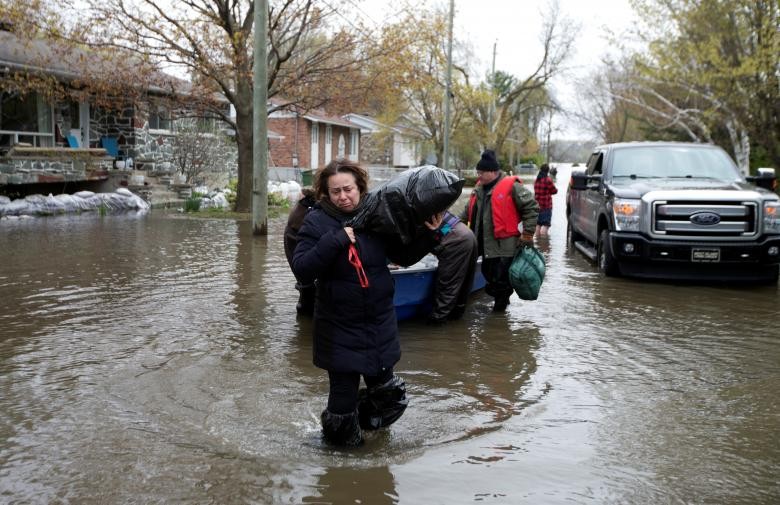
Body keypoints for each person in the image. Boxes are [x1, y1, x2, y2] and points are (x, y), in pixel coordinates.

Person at [291, 159, 435, 447]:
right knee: (342, 409)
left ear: (360, 187)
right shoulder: (317, 221)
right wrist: (335, 240)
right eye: (335, 192)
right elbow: (302, 268)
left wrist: (429, 233)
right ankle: (340, 463)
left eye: (348, 189)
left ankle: (368, 436)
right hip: (338, 327)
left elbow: (402, 256)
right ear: (325, 194)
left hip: (379, 323)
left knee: (390, 398)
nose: (343, 197)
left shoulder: (376, 215)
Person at [461, 149, 539, 312]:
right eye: (478, 172)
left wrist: (527, 234)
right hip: (485, 247)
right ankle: (502, 306)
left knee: (501, 281)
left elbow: (532, 207)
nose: (479, 175)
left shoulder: (513, 187)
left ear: (493, 172)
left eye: (482, 172)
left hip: (505, 248)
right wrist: (447, 227)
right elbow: (464, 214)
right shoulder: (479, 190)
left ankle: (499, 315)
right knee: (490, 278)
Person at [424, 210, 478, 325]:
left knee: (447, 287)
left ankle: (436, 324)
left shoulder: (411, 210)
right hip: (465, 233)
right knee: (463, 286)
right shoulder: (430, 201)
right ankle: (456, 323)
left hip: (456, 240)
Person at [283, 187, 316, 315]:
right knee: (307, 291)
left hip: (297, 256)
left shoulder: (302, 210)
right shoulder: (305, 215)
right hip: (300, 259)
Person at [533, 163, 558, 238]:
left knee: (538, 224)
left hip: (537, 206)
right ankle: (543, 243)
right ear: (547, 171)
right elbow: (554, 191)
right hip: (546, 206)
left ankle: (537, 242)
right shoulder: (548, 180)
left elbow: (535, 191)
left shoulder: (537, 180)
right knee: (546, 225)